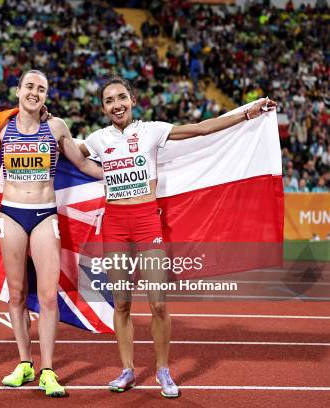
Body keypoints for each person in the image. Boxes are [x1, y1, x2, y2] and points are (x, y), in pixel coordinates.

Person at [79, 77, 276, 399]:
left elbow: (200, 129)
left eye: (121, 97)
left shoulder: (152, 130)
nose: (117, 105)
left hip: (146, 224)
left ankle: (163, 370)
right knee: (123, 303)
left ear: (132, 99)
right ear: (103, 108)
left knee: (158, 303)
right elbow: (69, 154)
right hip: (114, 225)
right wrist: (52, 129)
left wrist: (247, 113)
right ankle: (127, 370)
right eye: (109, 100)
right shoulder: (98, 139)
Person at [0, 70, 101, 398]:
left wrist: (124, 175)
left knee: (46, 296)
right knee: (16, 293)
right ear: (18, 90)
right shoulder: (0, 128)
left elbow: (83, 166)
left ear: (45, 95)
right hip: (11, 214)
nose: (34, 92)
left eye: (41, 88)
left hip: (44, 215)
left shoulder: (56, 127)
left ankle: (48, 370)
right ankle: (24, 362)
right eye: (29, 86)